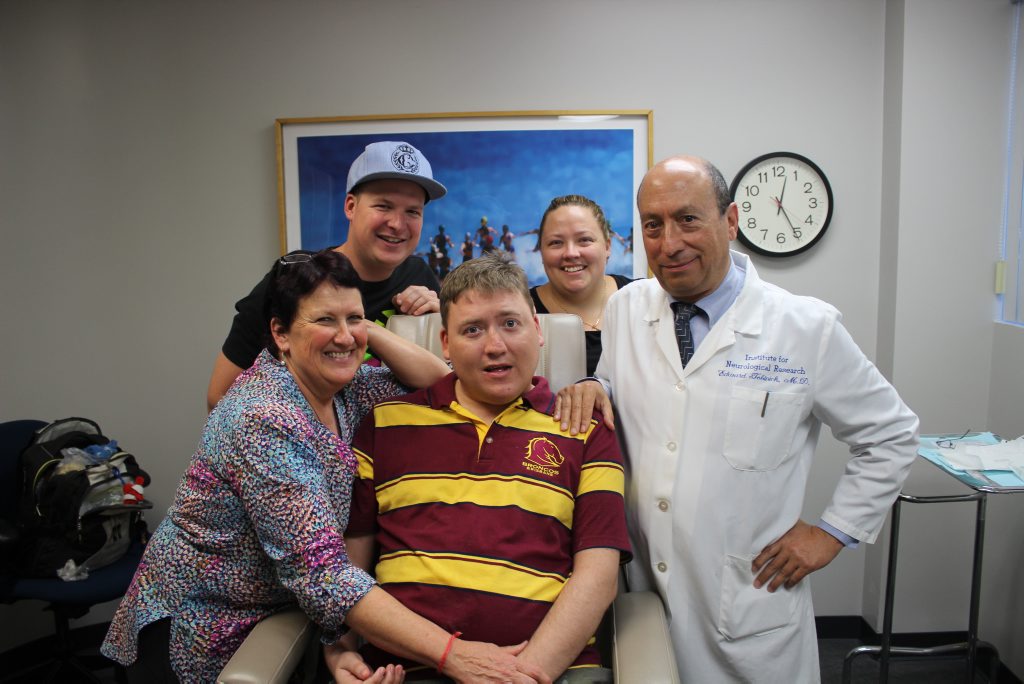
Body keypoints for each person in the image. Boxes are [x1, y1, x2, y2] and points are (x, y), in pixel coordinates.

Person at [103, 250, 547, 684]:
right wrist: (455, 656)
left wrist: (365, 331)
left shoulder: (346, 388)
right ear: (280, 333)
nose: (344, 336)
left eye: (353, 318)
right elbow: (322, 573)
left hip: (286, 611)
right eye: (323, 320)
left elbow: (441, 380)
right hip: (201, 629)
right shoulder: (262, 418)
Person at [556, 156, 920, 682]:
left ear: (730, 221)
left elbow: (890, 433)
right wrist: (596, 386)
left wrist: (832, 533)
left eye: (688, 219)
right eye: (652, 225)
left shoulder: (804, 327)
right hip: (641, 596)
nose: (669, 242)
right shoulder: (626, 309)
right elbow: (620, 382)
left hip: (748, 609)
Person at [331, 252, 630, 683]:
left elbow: (598, 577)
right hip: (409, 668)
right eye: (473, 330)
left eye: (510, 323)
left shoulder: (585, 429)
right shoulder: (385, 424)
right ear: (446, 343)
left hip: (551, 672)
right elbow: (350, 570)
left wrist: (521, 676)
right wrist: (342, 649)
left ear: (537, 329)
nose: (495, 346)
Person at [206, 140, 447, 411]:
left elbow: (448, 388)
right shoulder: (295, 278)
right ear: (350, 207)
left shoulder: (419, 276)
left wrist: (443, 317)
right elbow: (220, 398)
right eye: (383, 206)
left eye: (412, 211)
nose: (397, 224)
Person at [529, 195, 634, 376]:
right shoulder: (520, 312)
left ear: (607, 246)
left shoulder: (642, 300)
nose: (571, 253)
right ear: (541, 251)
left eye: (584, 239)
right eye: (556, 243)